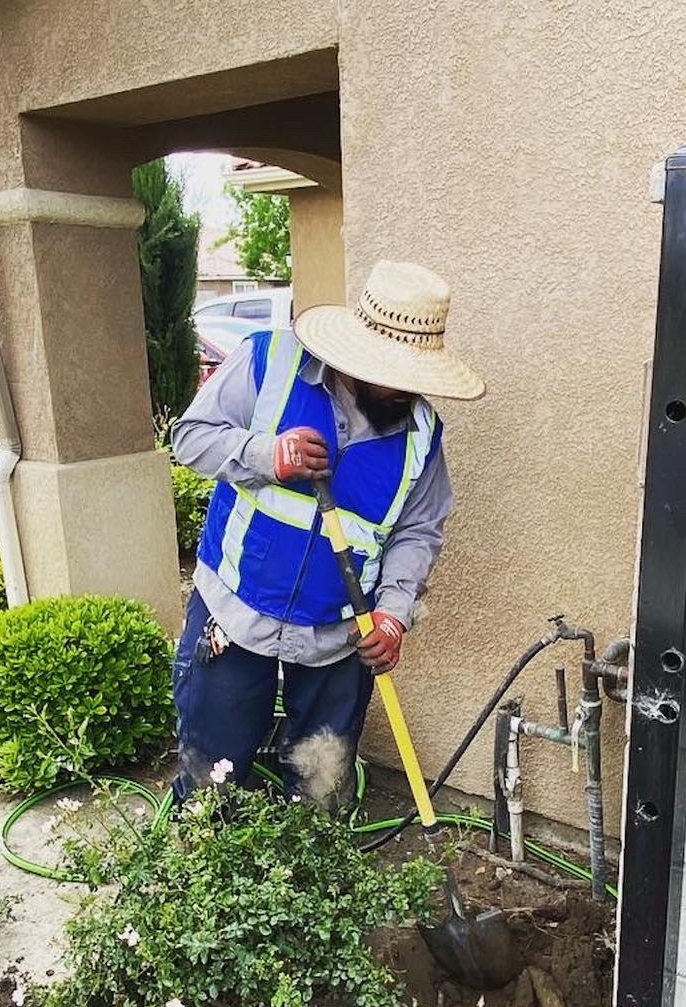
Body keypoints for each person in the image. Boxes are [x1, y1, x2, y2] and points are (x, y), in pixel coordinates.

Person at [167, 258, 485, 807]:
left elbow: (418, 531)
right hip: (235, 611)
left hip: (342, 633)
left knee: (323, 785)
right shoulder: (270, 362)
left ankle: (314, 874)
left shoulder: (422, 433)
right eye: (391, 373)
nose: (400, 388)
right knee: (208, 781)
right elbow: (190, 439)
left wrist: (393, 613)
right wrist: (269, 454)